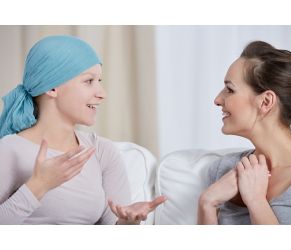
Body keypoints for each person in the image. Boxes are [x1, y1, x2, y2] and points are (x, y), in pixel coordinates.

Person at [0, 35, 166, 225]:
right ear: (52, 87)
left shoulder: (103, 151)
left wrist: (128, 223)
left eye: (100, 81)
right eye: (89, 81)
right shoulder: (9, 149)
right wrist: (38, 186)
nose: (102, 93)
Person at [198, 41, 291, 225]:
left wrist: (256, 201)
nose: (217, 100)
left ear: (265, 102)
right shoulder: (222, 170)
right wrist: (207, 203)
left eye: (230, 89)